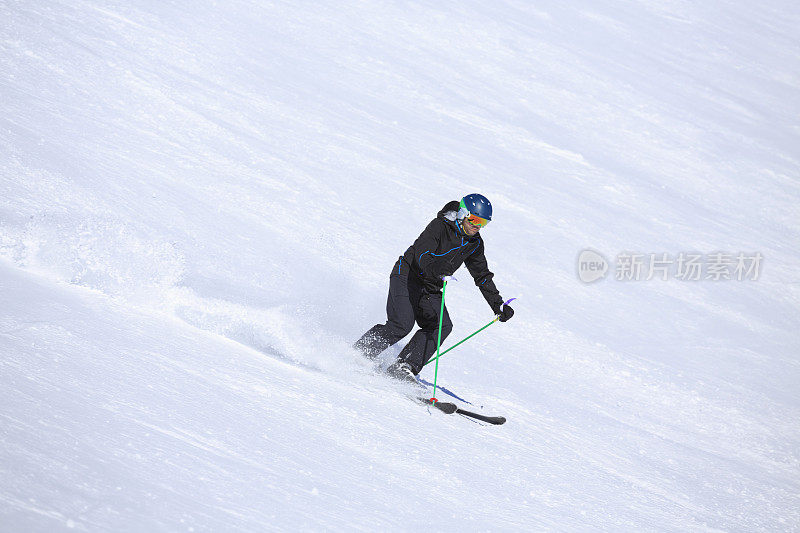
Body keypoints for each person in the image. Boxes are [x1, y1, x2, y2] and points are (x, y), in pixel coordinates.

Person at [354, 193, 514, 382]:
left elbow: (482, 276)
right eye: (474, 220)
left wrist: (498, 305)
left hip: (431, 286)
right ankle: (360, 353)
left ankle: (404, 366)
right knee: (402, 324)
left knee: (442, 326)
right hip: (407, 275)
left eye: (483, 223)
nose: (477, 226)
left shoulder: (475, 243)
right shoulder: (439, 226)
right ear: (463, 213)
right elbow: (422, 254)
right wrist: (438, 269)